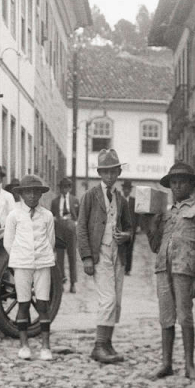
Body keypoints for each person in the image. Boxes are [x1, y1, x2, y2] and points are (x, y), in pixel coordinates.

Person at [144, 162, 195, 380]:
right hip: (164, 269)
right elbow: (155, 247)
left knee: (185, 316)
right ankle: (166, 363)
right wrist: (151, 227)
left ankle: (190, 365)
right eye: (173, 182)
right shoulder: (166, 214)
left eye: (182, 182)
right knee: (166, 317)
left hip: (185, 270)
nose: (177, 186)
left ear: (191, 184)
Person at [75, 149, 135, 364]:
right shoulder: (90, 196)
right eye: (105, 172)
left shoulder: (121, 199)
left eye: (113, 172)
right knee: (107, 299)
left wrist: (125, 236)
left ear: (118, 172)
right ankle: (98, 346)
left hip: (117, 254)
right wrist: (86, 257)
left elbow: (129, 227)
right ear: (100, 173)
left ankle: (107, 343)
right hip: (99, 253)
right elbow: (81, 228)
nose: (109, 176)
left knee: (116, 300)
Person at [3, 174, 57, 361]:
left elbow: (50, 240)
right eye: (28, 192)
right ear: (21, 194)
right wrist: (19, 258)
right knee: (23, 303)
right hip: (22, 263)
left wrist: (42, 255)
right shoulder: (14, 216)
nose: (32, 196)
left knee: (43, 303)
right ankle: (24, 345)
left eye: (36, 192)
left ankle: (45, 346)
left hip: (43, 262)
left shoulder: (47, 215)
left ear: (40, 194)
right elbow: (8, 242)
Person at [49, 177, 80, 293]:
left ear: (70, 188)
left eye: (67, 187)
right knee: (60, 257)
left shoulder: (75, 200)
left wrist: (75, 224)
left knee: (72, 256)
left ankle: (73, 283)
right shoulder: (55, 201)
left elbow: (80, 215)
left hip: (71, 229)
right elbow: (51, 216)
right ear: (60, 188)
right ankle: (61, 282)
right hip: (59, 229)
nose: (64, 189)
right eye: (62, 187)